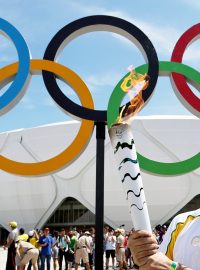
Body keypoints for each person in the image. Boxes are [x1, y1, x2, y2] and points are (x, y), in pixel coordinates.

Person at [128, 208, 200, 270]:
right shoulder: (181, 222)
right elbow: (159, 264)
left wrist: (173, 268)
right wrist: (143, 258)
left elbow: (168, 266)